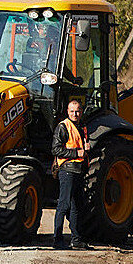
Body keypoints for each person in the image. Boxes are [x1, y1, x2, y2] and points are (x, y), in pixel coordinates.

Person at [52, 97, 89, 248]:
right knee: (64, 205)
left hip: (78, 171)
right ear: (67, 112)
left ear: (81, 112)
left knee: (76, 207)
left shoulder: (81, 127)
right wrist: (77, 153)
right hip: (67, 170)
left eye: (78, 111)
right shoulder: (63, 126)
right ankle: (57, 240)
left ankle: (76, 240)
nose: (75, 114)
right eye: (72, 111)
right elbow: (55, 149)